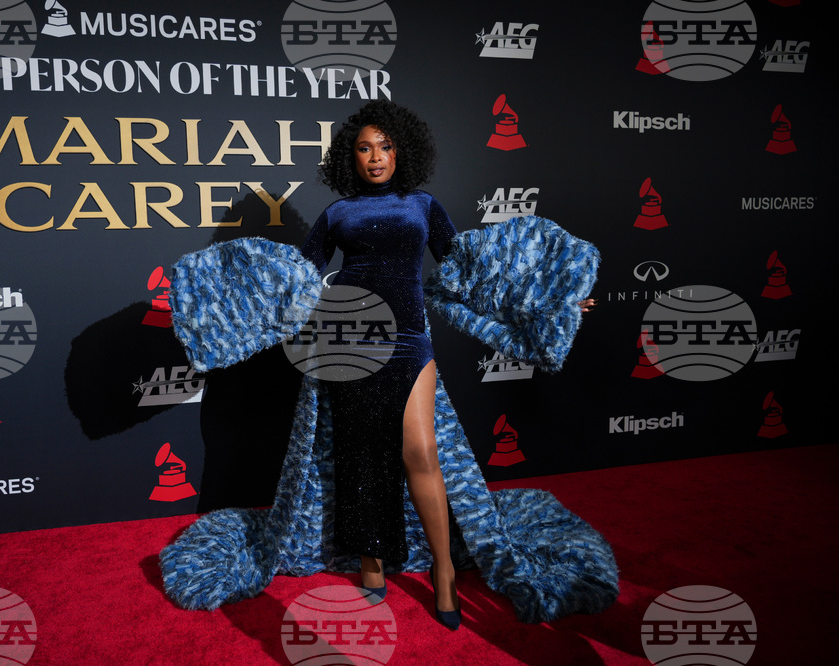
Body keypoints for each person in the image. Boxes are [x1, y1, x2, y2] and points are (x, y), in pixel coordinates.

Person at [158, 100, 615, 628]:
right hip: (348, 338)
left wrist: (553, 298)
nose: (375, 157)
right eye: (364, 149)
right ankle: (372, 565)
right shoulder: (337, 215)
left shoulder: (423, 205)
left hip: (409, 340)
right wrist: (215, 302)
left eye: (385, 147)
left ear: (402, 151)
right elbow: (294, 279)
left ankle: (444, 570)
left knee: (420, 451)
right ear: (349, 158)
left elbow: (471, 269)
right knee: (360, 457)